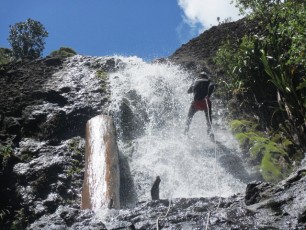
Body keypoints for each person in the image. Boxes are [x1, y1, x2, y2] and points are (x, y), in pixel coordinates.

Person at [184, 71, 215, 137]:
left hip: (196, 103)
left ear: (199, 76)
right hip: (205, 102)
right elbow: (212, 85)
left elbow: (188, 91)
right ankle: (209, 132)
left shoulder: (195, 81)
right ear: (206, 76)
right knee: (209, 118)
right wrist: (208, 95)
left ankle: (186, 132)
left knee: (189, 117)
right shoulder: (208, 81)